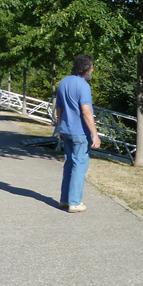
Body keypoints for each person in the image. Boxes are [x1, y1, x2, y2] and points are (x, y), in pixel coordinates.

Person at [53, 54, 101, 212]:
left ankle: (64, 200)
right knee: (79, 166)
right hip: (80, 132)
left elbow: (58, 108)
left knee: (69, 164)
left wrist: (60, 127)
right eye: (92, 67)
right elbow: (86, 111)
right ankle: (74, 202)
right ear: (86, 68)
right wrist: (95, 134)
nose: (92, 70)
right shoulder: (83, 86)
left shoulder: (63, 82)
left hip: (66, 131)